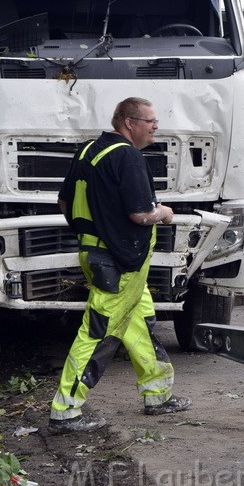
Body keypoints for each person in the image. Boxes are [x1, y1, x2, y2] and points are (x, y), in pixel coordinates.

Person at [49, 97, 191, 434]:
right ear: (129, 123)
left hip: (97, 254)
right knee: (99, 333)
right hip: (120, 262)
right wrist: (165, 213)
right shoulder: (127, 156)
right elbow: (141, 215)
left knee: (138, 321)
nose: (156, 127)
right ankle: (65, 410)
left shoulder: (88, 151)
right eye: (150, 121)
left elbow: (64, 202)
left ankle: (158, 393)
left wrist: (94, 231)